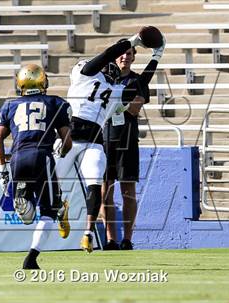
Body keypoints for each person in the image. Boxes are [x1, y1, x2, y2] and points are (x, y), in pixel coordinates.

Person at [55, 32, 166, 253]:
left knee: (85, 185)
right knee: (95, 187)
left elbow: (136, 85)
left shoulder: (92, 77)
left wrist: (138, 45)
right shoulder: (113, 89)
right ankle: (88, 231)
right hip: (95, 141)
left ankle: (87, 231)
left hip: (78, 137)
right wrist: (155, 56)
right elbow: (137, 82)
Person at [0, 64, 72, 269]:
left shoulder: (9, 106)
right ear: (43, 81)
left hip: (18, 158)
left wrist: (3, 170)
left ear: (20, 84)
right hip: (42, 156)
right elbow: (67, 142)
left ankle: (23, 200)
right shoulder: (56, 103)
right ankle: (31, 258)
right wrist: (59, 152)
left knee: (28, 218)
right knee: (48, 211)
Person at [100, 39, 151, 251]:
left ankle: (127, 239)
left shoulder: (138, 81)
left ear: (134, 57)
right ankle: (111, 239)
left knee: (128, 191)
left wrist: (113, 103)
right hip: (102, 140)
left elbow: (133, 109)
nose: (125, 57)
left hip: (127, 141)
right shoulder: (102, 80)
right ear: (114, 56)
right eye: (122, 53)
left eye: (130, 53)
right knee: (105, 192)